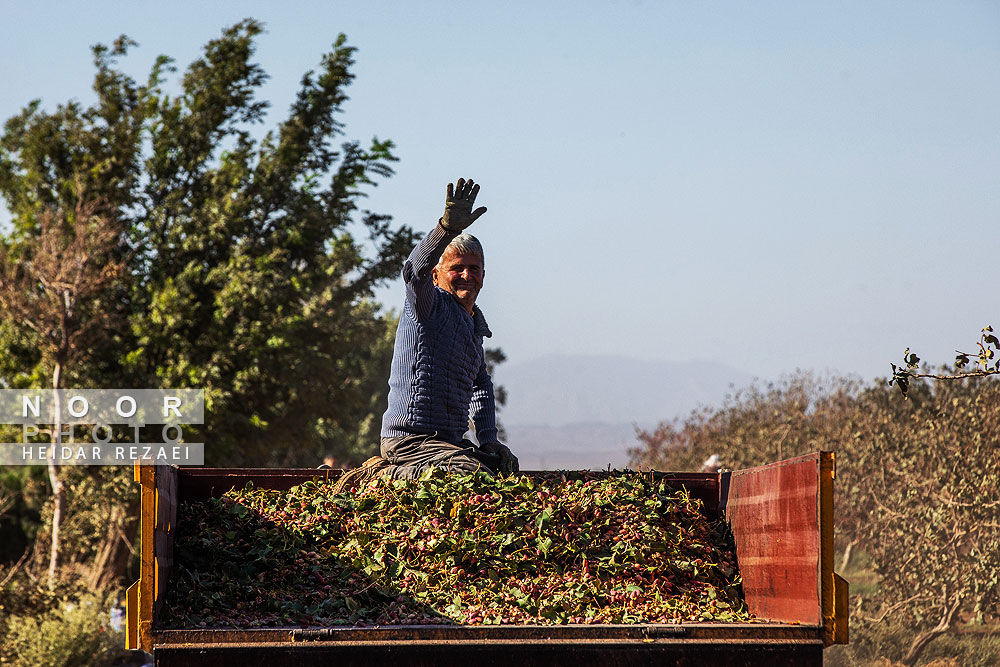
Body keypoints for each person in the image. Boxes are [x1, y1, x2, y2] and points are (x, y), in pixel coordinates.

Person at [332, 178, 517, 492]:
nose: (466, 276)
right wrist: (447, 228)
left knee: (503, 469)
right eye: (457, 268)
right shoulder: (428, 306)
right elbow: (413, 271)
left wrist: (489, 441)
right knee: (467, 472)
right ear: (437, 274)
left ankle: (463, 461)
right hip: (410, 442)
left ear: (483, 275)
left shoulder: (474, 327)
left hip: (445, 445)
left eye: (474, 268)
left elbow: (481, 388)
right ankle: (380, 475)